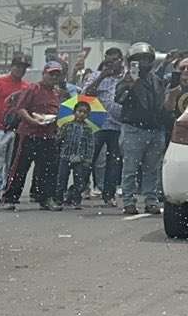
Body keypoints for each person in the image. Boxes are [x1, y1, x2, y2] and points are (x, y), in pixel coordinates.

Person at [116, 49, 172, 216]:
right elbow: (119, 99)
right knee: (130, 169)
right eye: (138, 60)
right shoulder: (126, 79)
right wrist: (130, 86)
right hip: (134, 128)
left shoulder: (156, 80)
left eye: (147, 59)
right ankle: (128, 201)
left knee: (152, 169)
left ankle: (151, 200)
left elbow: (161, 103)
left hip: (155, 129)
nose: (143, 63)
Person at [5, 61, 66, 211]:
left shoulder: (57, 93)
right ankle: (10, 197)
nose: (54, 77)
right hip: (29, 134)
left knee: (48, 169)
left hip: (49, 135)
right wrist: (33, 120)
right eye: (51, 74)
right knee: (20, 167)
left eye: (57, 75)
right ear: (44, 74)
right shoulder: (33, 88)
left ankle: (45, 198)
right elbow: (21, 109)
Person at [0, 51, 30, 205]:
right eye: (17, 67)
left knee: (11, 162)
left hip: (16, 129)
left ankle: (6, 189)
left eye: (23, 68)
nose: (20, 70)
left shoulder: (26, 87)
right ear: (12, 67)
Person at [80, 48, 127, 207]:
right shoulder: (95, 76)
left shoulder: (126, 77)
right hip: (98, 123)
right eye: (107, 61)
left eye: (114, 60)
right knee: (89, 159)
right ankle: (79, 190)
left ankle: (109, 194)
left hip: (118, 124)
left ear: (121, 60)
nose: (111, 64)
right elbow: (85, 95)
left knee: (114, 161)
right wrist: (102, 76)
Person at [58, 98, 100, 208]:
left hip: (80, 158)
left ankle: (75, 200)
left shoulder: (88, 129)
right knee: (62, 179)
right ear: (74, 112)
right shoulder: (66, 125)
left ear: (88, 115)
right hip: (65, 156)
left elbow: (90, 146)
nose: (81, 114)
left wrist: (88, 160)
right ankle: (59, 198)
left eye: (85, 112)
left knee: (79, 181)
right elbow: (59, 140)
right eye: (79, 111)